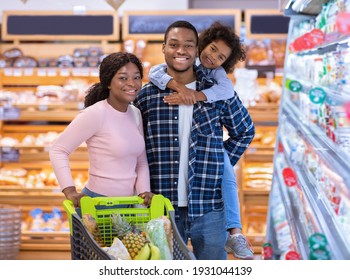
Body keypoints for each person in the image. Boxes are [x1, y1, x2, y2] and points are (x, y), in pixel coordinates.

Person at [133, 20, 255, 260]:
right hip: (161, 207)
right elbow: (134, 148)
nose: (181, 51)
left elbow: (244, 131)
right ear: (164, 47)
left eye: (188, 45)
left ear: (196, 48)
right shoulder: (147, 95)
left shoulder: (217, 92)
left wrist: (219, 163)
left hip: (209, 207)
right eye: (174, 44)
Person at [49, 52, 154, 208]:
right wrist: (69, 191)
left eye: (136, 77)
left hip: (130, 204)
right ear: (108, 82)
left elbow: (140, 161)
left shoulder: (135, 113)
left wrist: (144, 193)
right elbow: (58, 150)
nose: (132, 83)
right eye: (123, 78)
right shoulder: (95, 113)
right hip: (99, 204)